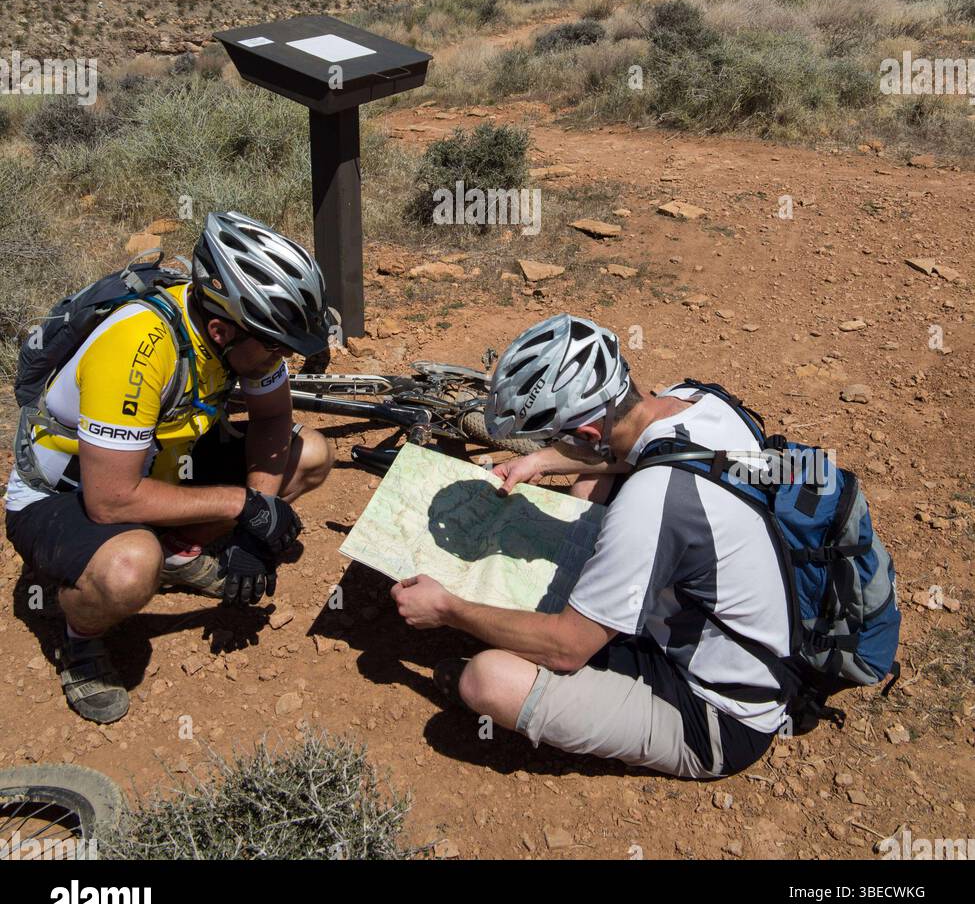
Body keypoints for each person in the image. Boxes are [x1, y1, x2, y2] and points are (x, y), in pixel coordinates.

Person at [392, 314, 792, 779]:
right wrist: (539, 462)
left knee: (488, 677)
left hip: (716, 713)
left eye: (553, 437)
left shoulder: (650, 507)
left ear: (586, 434)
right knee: (590, 483)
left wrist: (448, 610)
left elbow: (566, 649)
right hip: (736, 631)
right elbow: (619, 451)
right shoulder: (698, 400)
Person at [4, 211, 335, 724]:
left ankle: (178, 554)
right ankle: (79, 636)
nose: (280, 357)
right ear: (222, 330)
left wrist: (257, 518)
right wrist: (244, 506)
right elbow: (110, 498)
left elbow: (273, 420)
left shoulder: (246, 341)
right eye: (274, 345)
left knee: (310, 454)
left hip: (159, 467)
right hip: (65, 494)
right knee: (131, 566)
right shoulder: (137, 349)